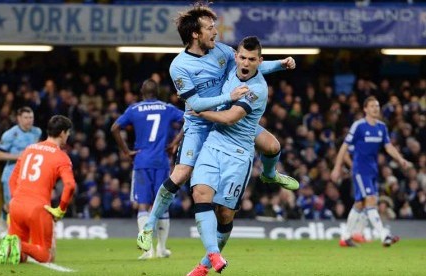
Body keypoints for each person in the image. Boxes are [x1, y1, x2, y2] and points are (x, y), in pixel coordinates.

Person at [137, 2, 299, 253]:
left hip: (229, 121)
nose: (216, 31)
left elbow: (249, 65)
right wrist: (229, 97)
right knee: (181, 174)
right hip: (201, 124)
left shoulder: (221, 51)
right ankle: (150, 224)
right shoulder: (179, 66)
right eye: (210, 27)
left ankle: (270, 174)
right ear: (195, 34)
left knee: (272, 146)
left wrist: (280, 64)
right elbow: (197, 105)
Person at [187, 36, 268, 275]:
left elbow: (229, 118)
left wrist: (201, 110)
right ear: (236, 57)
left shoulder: (258, 89)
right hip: (214, 143)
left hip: (238, 154)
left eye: (252, 59)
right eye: (242, 57)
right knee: (200, 193)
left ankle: (204, 262)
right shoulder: (232, 66)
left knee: (224, 213)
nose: (245, 63)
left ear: (259, 62)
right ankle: (211, 257)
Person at [111, 79, 184, 260]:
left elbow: (114, 128)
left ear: (141, 92)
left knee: (143, 204)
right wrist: (174, 143)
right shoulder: (167, 108)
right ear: (157, 92)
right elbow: (189, 120)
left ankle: (147, 250)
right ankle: (162, 249)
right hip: (161, 161)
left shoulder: (134, 109)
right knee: (162, 204)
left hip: (142, 162)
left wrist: (126, 151)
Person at [330, 96, 411, 247]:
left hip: (373, 170)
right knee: (371, 200)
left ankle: (345, 237)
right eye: (372, 106)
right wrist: (337, 167)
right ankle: (384, 235)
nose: (376, 108)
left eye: (377, 106)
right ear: (365, 109)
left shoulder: (382, 127)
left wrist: (400, 159)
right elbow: (344, 147)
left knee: (360, 204)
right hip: (360, 170)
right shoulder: (358, 126)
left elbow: (388, 147)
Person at [0, 115, 76, 264]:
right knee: (46, 256)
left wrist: (14, 199)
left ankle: (12, 243)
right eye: (68, 132)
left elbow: (13, 179)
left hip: (16, 206)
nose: (68, 136)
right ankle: (18, 244)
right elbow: (70, 185)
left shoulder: (29, 149)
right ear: (63, 133)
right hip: (38, 209)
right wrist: (61, 209)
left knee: (21, 258)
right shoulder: (61, 157)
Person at [0, 106, 42, 236]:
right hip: (11, 175)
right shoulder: (10, 134)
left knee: (27, 205)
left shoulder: (37, 132)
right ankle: (2, 227)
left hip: (28, 176)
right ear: (19, 118)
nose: (29, 121)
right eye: (26, 118)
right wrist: (19, 156)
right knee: (10, 206)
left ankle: (15, 230)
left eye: (31, 117)